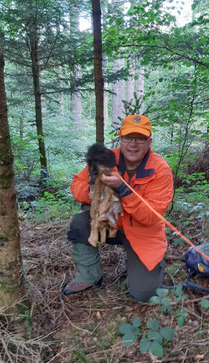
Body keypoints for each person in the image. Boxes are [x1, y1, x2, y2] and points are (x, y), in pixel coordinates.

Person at [64, 114, 174, 302]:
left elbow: (150, 217)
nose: (133, 144)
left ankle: (152, 267)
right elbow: (76, 186)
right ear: (120, 138)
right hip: (112, 224)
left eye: (140, 138)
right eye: (127, 137)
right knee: (80, 223)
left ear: (149, 142)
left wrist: (123, 189)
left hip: (143, 233)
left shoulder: (160, 169)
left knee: (144, 295)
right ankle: (91, 275)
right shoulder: (106, 158)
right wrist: (95, 190)